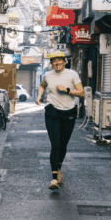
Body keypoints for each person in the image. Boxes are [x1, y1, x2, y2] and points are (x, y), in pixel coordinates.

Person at [36, 51, 83, 190]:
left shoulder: (72, 74)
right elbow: (42, 85)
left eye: (59, 60)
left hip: (69, 112)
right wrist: (39, 96)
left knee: (63, 144)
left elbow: (81, 92)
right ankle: (54, 178)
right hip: (53, 112)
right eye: (54, 61)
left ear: (64, 61)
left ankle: (59, 168)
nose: (57, 63)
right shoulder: (48, 75)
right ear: (51, 63)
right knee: (55, 144)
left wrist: (67, 90)